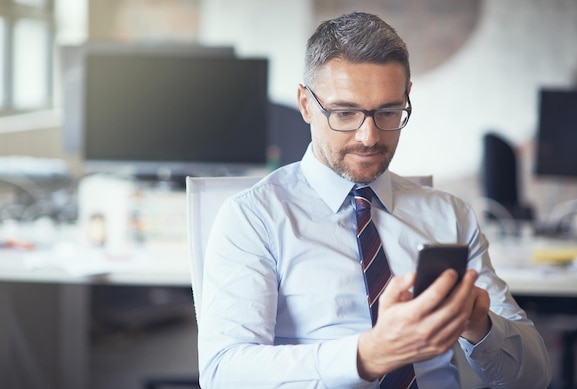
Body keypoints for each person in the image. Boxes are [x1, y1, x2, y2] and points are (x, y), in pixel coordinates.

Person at [197, 11, 551, 389]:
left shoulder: (450, 215)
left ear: (405, 99)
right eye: (345, 113)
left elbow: (534, 378)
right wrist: (366, 355)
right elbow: (224, 372)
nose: (368, 136)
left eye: (387, 112)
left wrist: (481, 326)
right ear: (305, 104)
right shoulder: (254, 217)